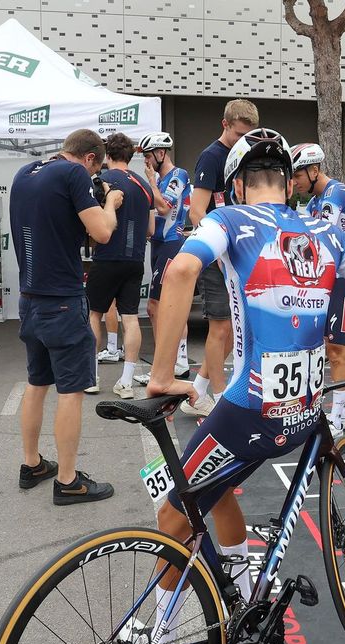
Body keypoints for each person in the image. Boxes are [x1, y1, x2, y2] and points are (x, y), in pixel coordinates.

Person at [144, 128, 345, 636]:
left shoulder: (228, 219)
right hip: (302, 416)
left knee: (171, 516)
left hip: (246, 411)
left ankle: (157, 637)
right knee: (213, 490)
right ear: (288, 185)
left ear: (237, 186)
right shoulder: (329, 233)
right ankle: (245, 595)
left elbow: (179, 273)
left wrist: (160, 376)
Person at [10, 127, 120, 505]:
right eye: (96, 171)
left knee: (36, 383)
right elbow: (103, 233)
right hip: (62, 298)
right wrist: (110, 204)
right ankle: (70, 481)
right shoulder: (74, 174)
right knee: (71, 391)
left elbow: (59, 226)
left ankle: (32, 464)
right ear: (90, 159)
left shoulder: (25, 174)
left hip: (30, 297)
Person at [185, 99, 260, 418]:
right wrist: (216, 247)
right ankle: (219, 400)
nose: (244, 139)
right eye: (239, 133)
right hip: (218, 256)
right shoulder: (212, 156)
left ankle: (199, 390)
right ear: (225, 125)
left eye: (250, 134)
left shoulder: (246, 153)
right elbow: (196, 211)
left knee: (236, 330)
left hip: (241, 253)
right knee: (220, 329)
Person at [291, 141, 345, 435]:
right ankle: (340, 413)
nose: (293, 182)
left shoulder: (337, 193)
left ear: (313, 169)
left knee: (337, 349)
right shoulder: (313, 202)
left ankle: (337, 415)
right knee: (327, 346)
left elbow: (320, 238)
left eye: (297, 175)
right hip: (326, 280)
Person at [86, 132, 154, 399]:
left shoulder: (101, 180)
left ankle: (91, 378)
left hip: (106, 256)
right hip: (134, 259)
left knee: (93, 314)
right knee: (131, 318)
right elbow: (150, 229)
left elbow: (93, 223)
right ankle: (126, 381)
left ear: (108, 155)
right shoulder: (144, 186)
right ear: (132, 155)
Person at [136, 131, 193, 385]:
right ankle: (178, 361)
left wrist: (150, 180)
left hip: (171, 244)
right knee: (169, 306)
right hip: (158, 244)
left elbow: (163, 207)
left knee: (155, 307)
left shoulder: (177, 175)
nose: (146, 162)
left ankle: (165, 365)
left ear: (161, 153)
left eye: (148, 157)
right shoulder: (160, 178)